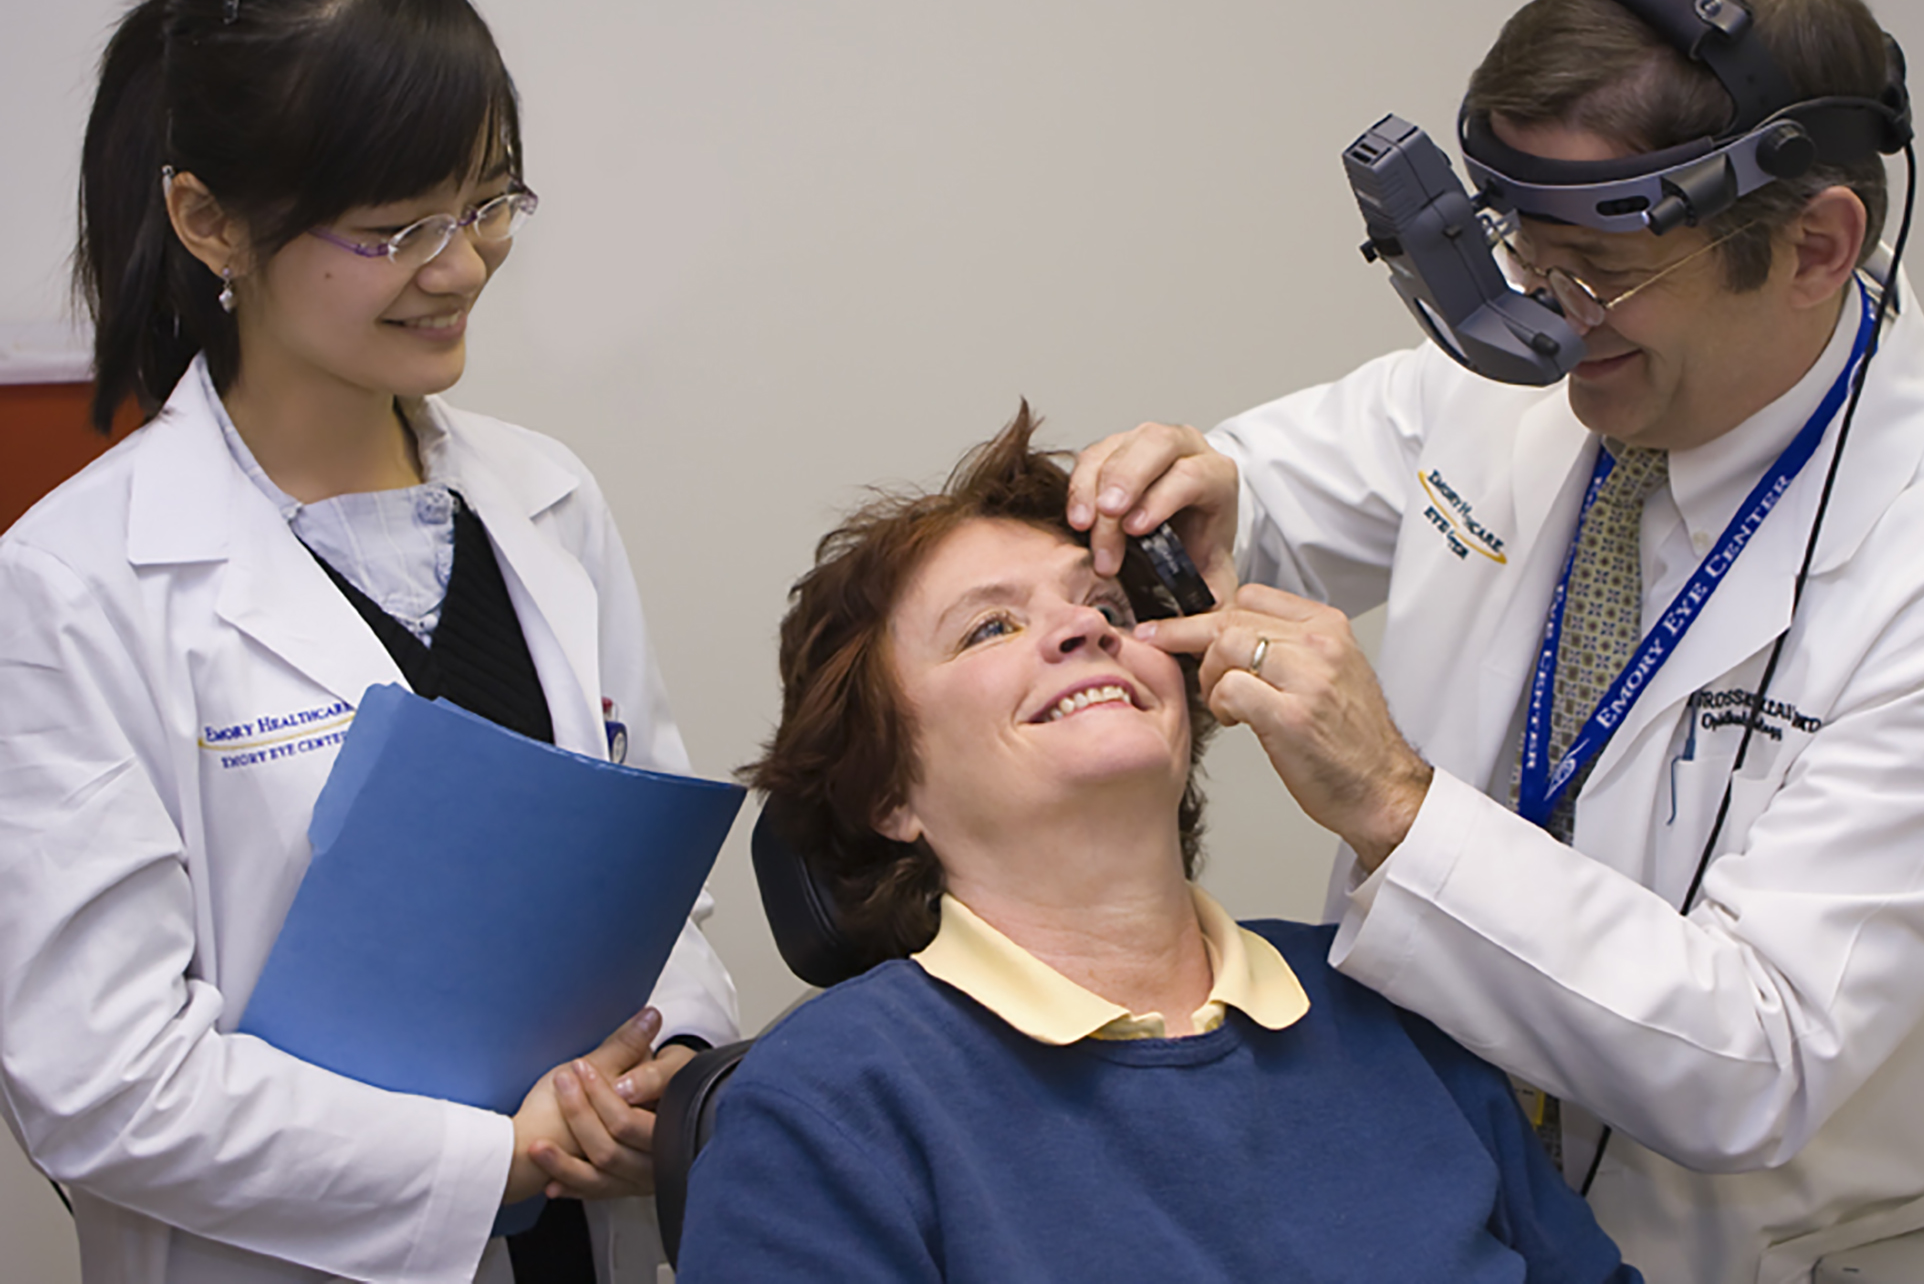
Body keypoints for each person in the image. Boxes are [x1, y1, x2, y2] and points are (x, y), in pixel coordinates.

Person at [1067, 0, 1924, 1284]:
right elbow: (1279, 493)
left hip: (1783, 1248)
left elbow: (1762, 1056)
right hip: (1445, 1197)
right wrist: (1213, 491)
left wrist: (1396, 804)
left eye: (1602, 273)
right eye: (1523, 251)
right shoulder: (1553, 371)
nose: (1545, 319)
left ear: (1814, 247)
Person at [0, 0, 735, 1284]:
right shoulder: (74, 583)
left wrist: (670, 1067)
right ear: (210, 221)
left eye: (489, 201)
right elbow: (100, 1079)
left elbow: (655, 893)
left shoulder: (548, 502)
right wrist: (488, 1163)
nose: (458, 266)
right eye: (395, 226)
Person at [672, 408, 1639, 1282]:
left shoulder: (1389, 1010)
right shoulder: (827, 1106)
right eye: (990, 627)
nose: (1080, 630)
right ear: (887, 789)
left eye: (1110, 606)